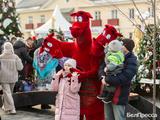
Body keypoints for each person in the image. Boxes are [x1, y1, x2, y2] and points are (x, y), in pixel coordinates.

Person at [99, 38, 138, 120]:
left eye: (121, 44)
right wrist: (102, 77)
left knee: (119, 118)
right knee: (108, 117)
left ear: (126, 47)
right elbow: (102, 67)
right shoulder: (112, 54)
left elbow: (125, 77)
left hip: (119, 96)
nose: (119, 45)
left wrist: (107, 80)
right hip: (106, 94)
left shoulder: (132, 60)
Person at [0, 42, 23, 114]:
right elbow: (20, 68)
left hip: (3, 77)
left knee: (7, 93)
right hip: (13, 78)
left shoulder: (0, 57)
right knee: (9, 93)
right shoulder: (15, 57)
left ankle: (7, 107)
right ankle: (12, 108)